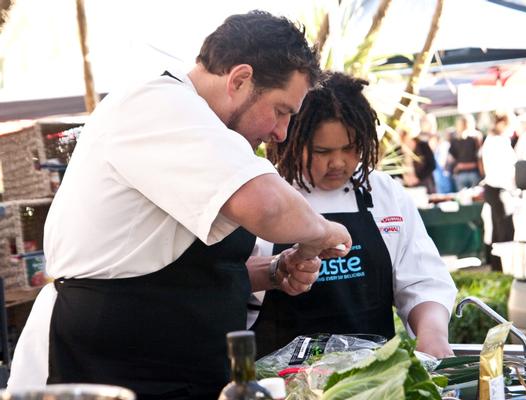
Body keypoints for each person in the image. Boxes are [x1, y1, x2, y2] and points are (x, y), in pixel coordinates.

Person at [8, 11, 353, 399]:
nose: (280, 132)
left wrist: (273, 272)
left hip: (174, 370)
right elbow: (268, 208)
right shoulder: (157, 105)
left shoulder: (202, 131)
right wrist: (322, 231)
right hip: (106, 367)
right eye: (280, 110)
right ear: (239, 79)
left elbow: (174, 270)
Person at [249, 72, 457, 359]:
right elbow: (234, 283)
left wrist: (432, 335)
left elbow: (422, 281)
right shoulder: (263, 191)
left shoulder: (383, 193)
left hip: (372, 380)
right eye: (322, 151)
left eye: (350, 148)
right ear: (292, 140)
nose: (338, 162)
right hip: (282, 381)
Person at [481, 112, 517, 271]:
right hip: (499, 190)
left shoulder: (492, 140)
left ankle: (498, 267)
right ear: (501, 123)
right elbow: (507, 168)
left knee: (498, 229)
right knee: (503, 230)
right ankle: (502, 267)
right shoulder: (498, 141)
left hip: (496, 189)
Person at [449, 114, 482, 191]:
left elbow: (451, 158)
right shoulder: (476, 137)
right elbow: (480, 155)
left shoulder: (455, 139)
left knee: (463, 200)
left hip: (462, 173)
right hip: (473, 172)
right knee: (475, 199)